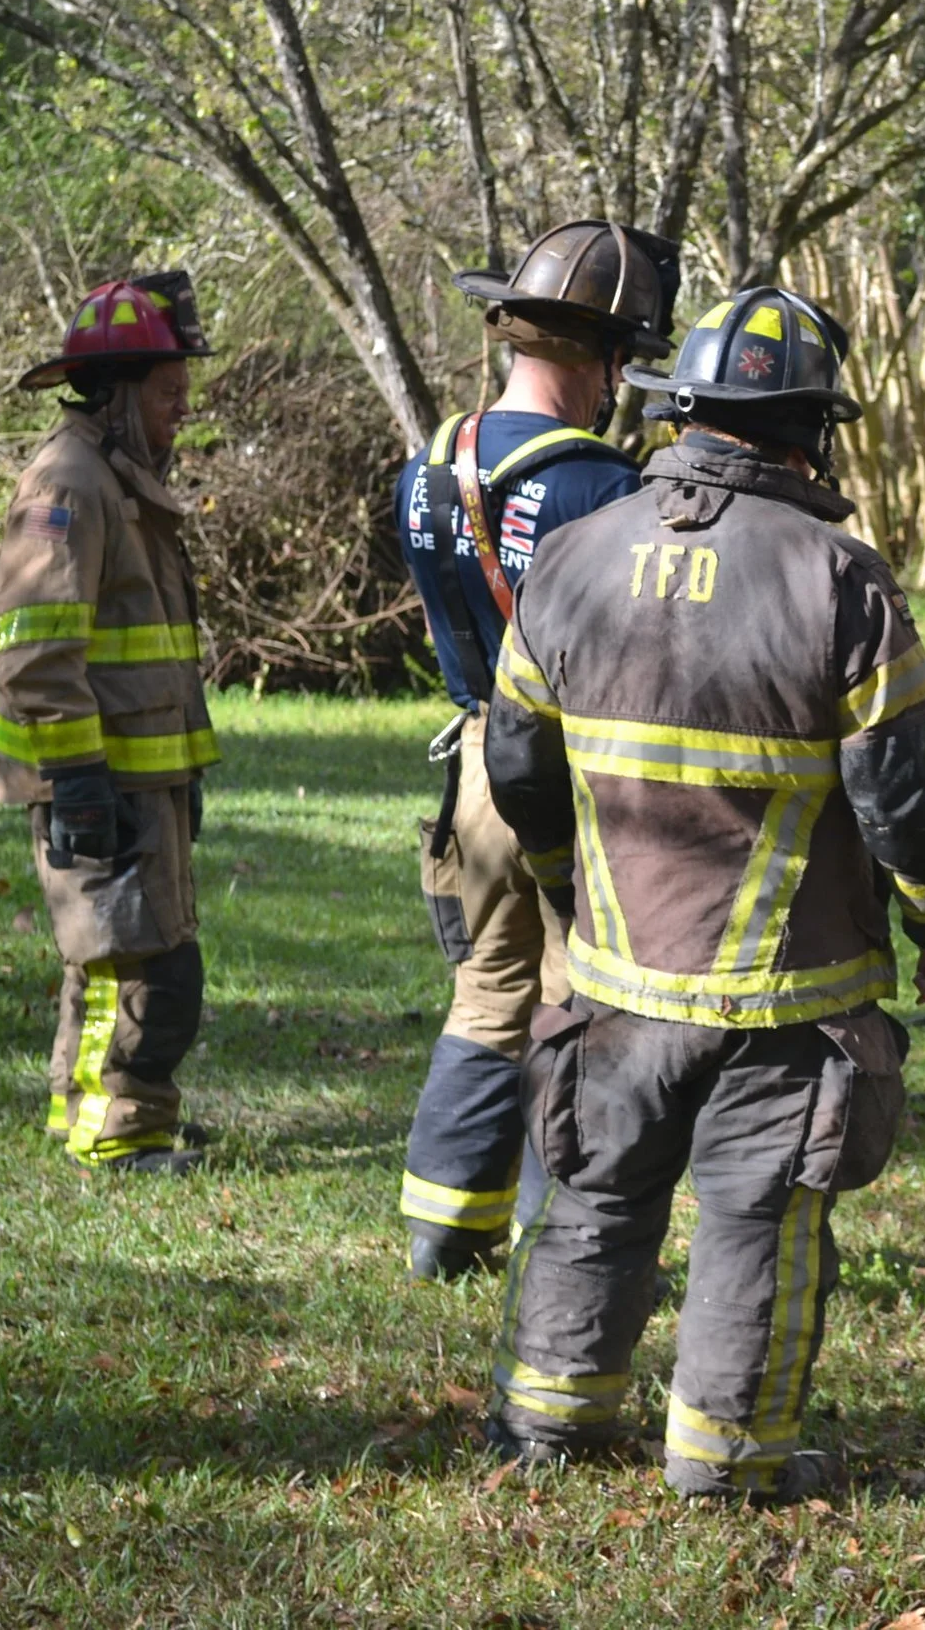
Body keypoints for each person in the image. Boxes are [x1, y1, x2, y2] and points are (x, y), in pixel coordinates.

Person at [479, 285, 925, 1506]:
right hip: (789, 995)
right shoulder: (838, 578)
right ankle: (728, 1451)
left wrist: (568, 890)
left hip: (613, 978)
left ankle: (549, 1412)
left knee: (600, 1185)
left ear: (686, 413)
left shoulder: (571, 556)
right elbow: (908, 791)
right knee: (757, 1211)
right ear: (812, 428)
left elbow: (516, 765)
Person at [393, 219, 682, 1282]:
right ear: (601, 359)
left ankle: (442, 1227)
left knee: (486, 991)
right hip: (574, 783)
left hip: (473, 764)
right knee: (580, 1006)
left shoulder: (422, 470)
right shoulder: (598, 486)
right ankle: (568, 1234)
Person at [0, 273, 218, 1174]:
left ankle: (87, 1110)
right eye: (167, 394)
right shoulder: (69, 484)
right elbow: (37, 651)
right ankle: (116, 1134)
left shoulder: (117, 476)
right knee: (147, 972)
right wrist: (79, 779)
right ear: (120, 394)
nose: (180, 411)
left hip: (140, 768)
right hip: (96, 770)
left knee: (112, 957)